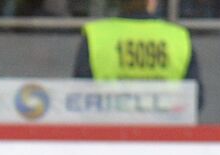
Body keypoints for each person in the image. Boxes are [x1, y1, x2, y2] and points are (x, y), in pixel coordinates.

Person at [72, 0, 204, 108]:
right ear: (152, 2)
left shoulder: (97, 35)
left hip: (109, 131)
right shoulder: (177, 37)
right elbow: (196, 100)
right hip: (165, 132)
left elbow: (78, 97)